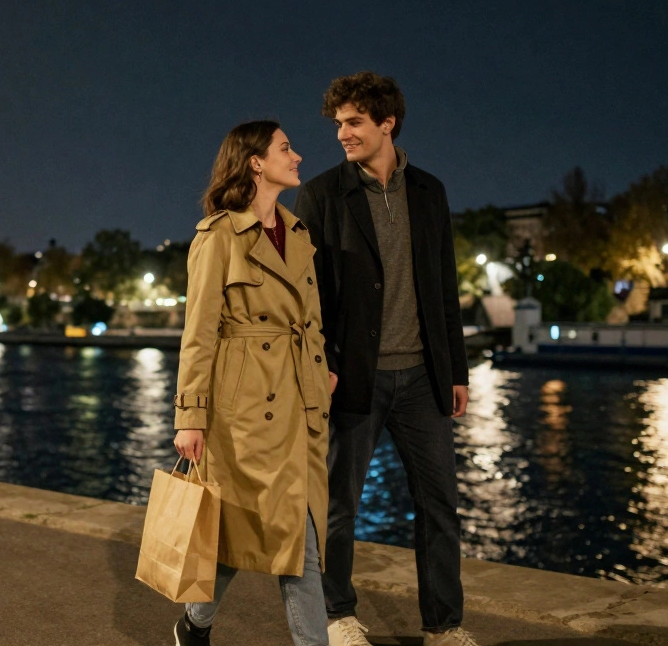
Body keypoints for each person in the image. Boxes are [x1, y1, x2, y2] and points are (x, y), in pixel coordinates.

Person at [293, 73, 477, 646]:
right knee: (339, 505)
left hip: (424, 376)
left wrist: (459, 372)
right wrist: (320, 363)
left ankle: (444, 626)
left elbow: (444, 287)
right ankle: (337, 615)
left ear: (386, 123)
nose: (342, 133)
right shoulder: (323, 195)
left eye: (353, 122)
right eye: (339, 124)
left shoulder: (430, 192)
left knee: (440, 504)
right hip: (354, 375)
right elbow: (311, 292)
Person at [171, 121, 334, 646]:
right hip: (243, 411)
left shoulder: (299, 234)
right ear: (256, 162)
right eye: (286, 148)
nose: (299, 156)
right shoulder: (218, 236)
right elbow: (198, 332)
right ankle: (198, 624)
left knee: (284, 532)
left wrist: (321, 373)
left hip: (300, 402)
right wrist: (190, 416)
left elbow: (311, 321)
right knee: (269, 536)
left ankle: (194, 625)